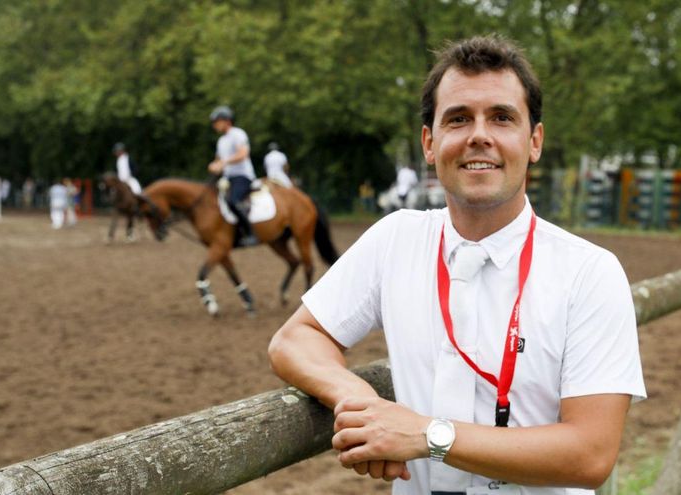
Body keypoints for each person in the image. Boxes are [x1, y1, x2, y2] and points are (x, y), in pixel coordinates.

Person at [268, 35, 645, 495]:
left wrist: (428, 436)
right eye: (458, 118)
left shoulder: (591, 273)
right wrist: (360, 401)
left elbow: (590, 454)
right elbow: (295, 338)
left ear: (535, 141)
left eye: (502, 118)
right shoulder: (396, 238)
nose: (479, 135)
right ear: (430, 143)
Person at [207, 105, 257, 245]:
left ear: (226, 121)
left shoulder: (237, 133)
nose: (214, 125)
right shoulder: (221, 141)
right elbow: (218, 160)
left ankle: (250, 233)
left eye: (216, 121)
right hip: (227, 178)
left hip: (242, 176)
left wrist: (224, 162)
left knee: (233, 200)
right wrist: (213, 165)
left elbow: (243, 153)